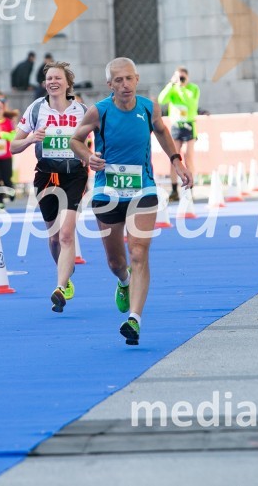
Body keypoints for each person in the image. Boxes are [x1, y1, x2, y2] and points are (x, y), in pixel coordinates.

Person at [71, 57, 192, 345]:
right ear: (109, 84)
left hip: (142, 189)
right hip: (107, 192)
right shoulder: (99, 111)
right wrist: (88, 157)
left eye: (129, 78)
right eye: (119, 80)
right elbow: (75, 140)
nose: (125, 84)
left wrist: (177, 161)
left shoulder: (149, 108)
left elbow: (161, 131)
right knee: (116, 261)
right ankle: (123, 280)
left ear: (137, 79)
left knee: (138, 251)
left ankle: (134, 319)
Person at [11, 61, 88, 312]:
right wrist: (31, 139)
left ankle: (60, 287)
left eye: (58, 78)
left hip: (74, 176)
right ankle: (65, 273)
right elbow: (13, 146)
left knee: (66, 234)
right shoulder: (36, 109)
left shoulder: (82, 111)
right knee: (54, 238)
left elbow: (96, 141)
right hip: (46, 176)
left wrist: (89, 158)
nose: (53, 82)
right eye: (49, 78)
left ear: (68, 83)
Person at [158, 66, 200, 202]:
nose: (180, 79)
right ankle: (174, 189)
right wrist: (171, 84)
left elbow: (191, 104)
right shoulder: (172, 88)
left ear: (187, 77)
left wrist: (182, 87)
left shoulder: (193, 88)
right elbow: (161, 100)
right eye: (178, 77)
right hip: (176, 125)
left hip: (189, 124)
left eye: (182, 77)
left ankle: (190, 188)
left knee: (188, 157)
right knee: (174, 158)